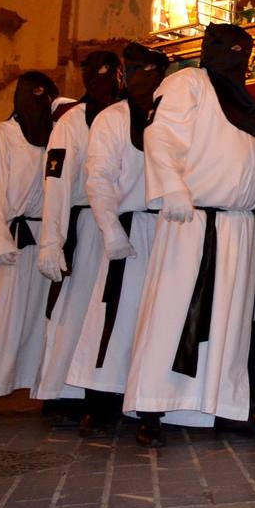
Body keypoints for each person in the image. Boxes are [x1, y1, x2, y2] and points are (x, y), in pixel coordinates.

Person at [124, 23, 255, 447]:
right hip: (190, 219)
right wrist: (173, 189)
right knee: (172, 309)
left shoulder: (249, 104)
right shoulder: (188, 82)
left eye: (243, 50)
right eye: (228, 48)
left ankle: (223, 405)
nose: (235, 57)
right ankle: (151, 405)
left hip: (238, 226)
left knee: (229, 320)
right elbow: (160, 134)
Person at [64, 43, 171, 434]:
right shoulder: (111, 119)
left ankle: (151, 407)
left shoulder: (174, 114)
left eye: (154, 72)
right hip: (128, 227)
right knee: (113, 316)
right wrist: (111, 230)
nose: (147, 79)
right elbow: (98, 177)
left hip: (170, 230)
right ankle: (99, 401)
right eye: (139, 71)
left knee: (159, 319)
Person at [0, 72, 62, 419]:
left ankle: (43, 388)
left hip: (43, 242)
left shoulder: (55, 140)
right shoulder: (1, 136)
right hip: (9, 242)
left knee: (40, 319)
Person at [33, 51, 123, 413]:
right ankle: (64, 390)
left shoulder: (126, 115)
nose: (104, 81)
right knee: (75, 309)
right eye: (95, 74)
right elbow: (56, 183)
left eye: (111, 73)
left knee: (111, 310)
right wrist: (51, 243)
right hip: (86, 227)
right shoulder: (72, 122)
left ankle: (107, 387)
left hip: (123, 224)